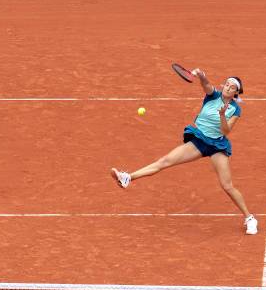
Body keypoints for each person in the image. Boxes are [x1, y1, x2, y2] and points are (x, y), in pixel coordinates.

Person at [111, 69, 258, 235]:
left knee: (227, 185)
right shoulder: (213, 95)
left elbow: (225, 131)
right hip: (199, 140)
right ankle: (128, 177)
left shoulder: (235, 110)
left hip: (218, 146)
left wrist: (222, 115)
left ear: (235, 93)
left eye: (232, 87)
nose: (228, 88)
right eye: (227, 84)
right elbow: (206, 84)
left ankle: (250, 218)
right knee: (165, 161)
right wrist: (201, 75)